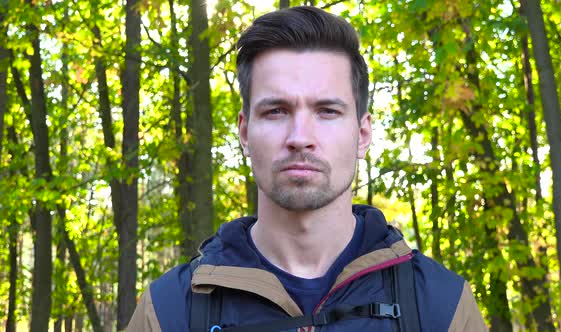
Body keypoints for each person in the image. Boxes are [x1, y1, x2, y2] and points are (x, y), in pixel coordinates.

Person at [128, 6, 487, 332]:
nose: (300, 137)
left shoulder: (442, 307)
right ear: (244, 132)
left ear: (362, 134)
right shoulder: (168, 312)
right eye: (276, 111)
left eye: (327, 111)